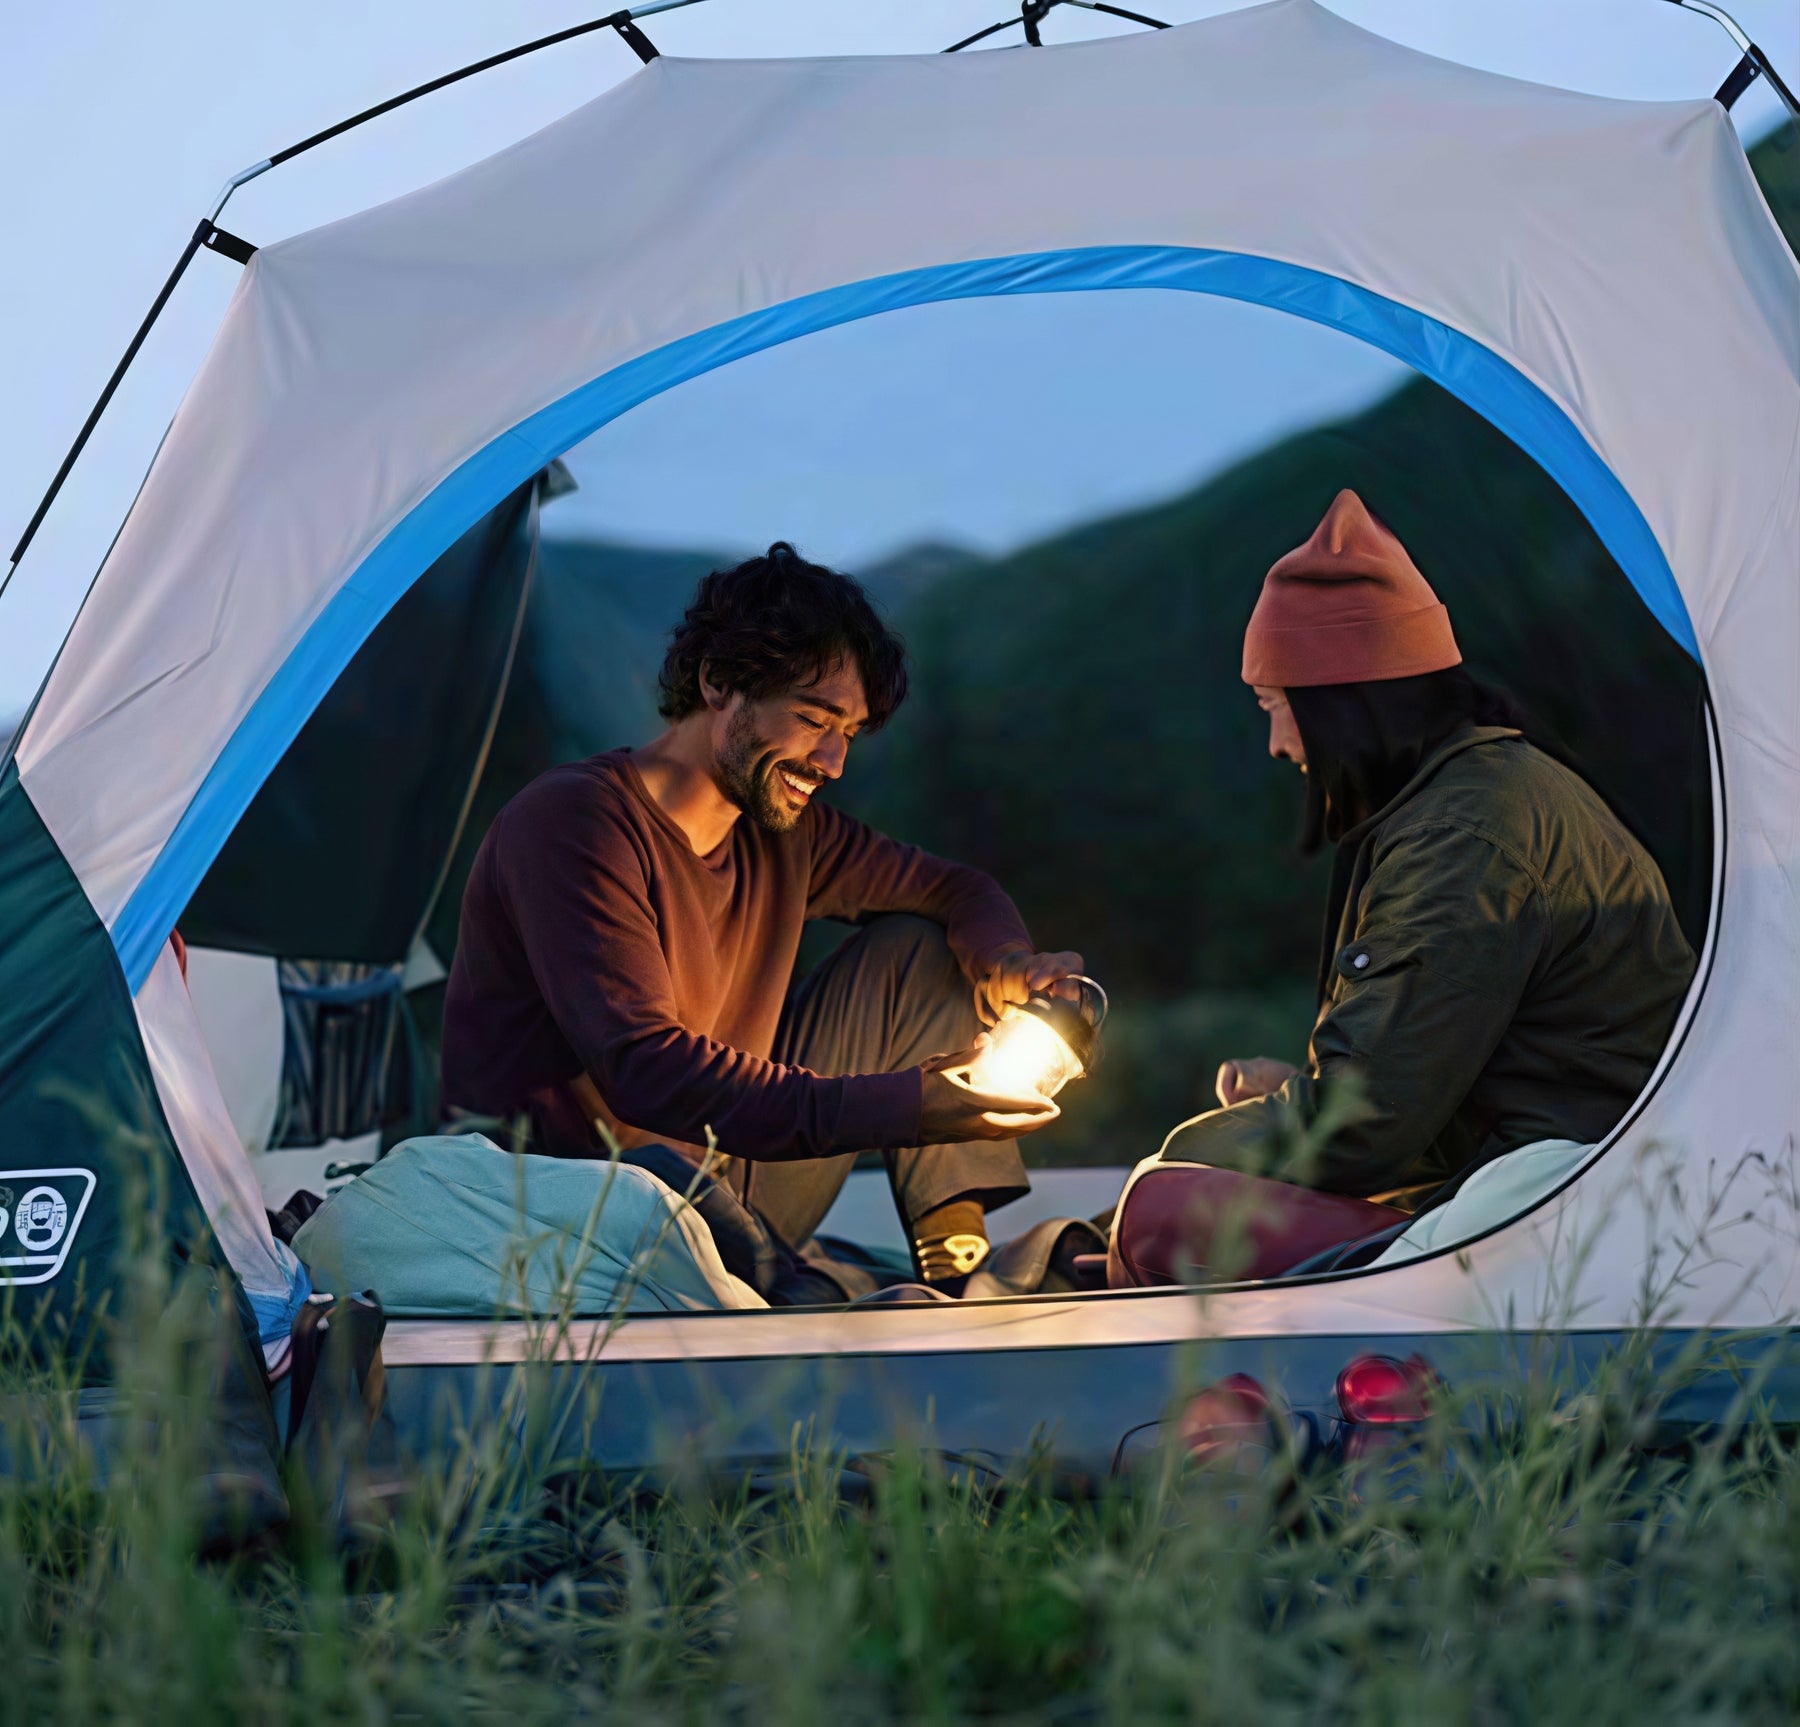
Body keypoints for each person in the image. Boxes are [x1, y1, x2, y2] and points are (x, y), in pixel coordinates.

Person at [441, 542, 1084, 1301]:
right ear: (719, 681)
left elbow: (957, 890)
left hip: (725, 1179)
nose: (833, 760)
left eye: (850, 732)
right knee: (687, 1192)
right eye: (814, 719)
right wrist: (908, 1103)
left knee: (924, 947)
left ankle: (956, 1265)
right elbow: (644, 1071)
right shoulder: (575, 824)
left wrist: (1007, 962)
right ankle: (794, 1283)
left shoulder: (786, 834)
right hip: (577, 1213)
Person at [1168, 490, 1696, 1206]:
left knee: (1167, 1205)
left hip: (1555, 1205)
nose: (1277, 745)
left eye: (1275, 707)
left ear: (1340, 706)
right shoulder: (1488, 792)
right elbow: (1451, 1081)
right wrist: (1299, 1090)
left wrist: (1176, 1160)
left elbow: (1359, 1132)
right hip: (1561, 1173)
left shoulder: (1459, 841)